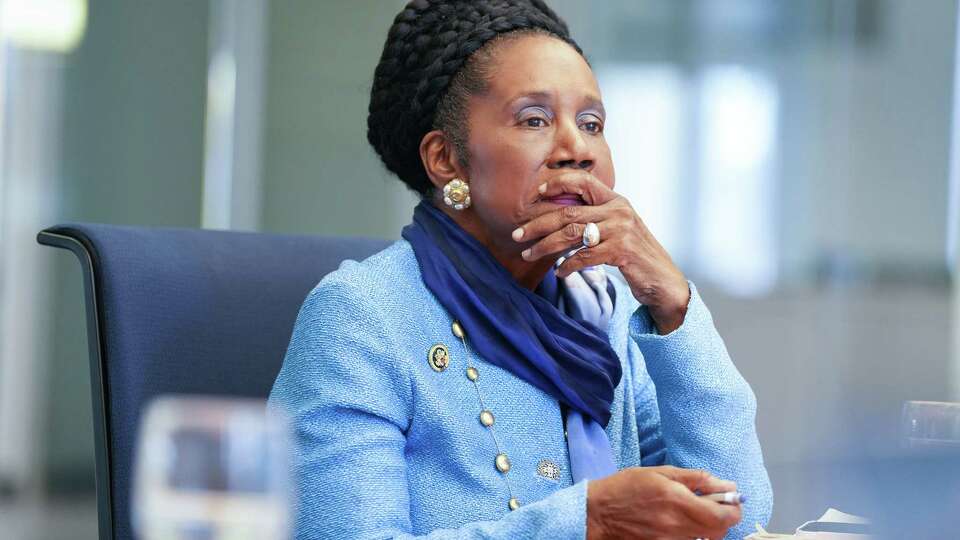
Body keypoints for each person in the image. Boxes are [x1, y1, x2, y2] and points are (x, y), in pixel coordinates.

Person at [268, 1, 773, 538]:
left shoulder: (605, 309)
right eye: (535, 119)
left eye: (592, 123)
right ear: (446, 160)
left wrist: (673, 305)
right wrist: (588, 520)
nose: (576, 148)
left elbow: (736, 520)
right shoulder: (361, 317)